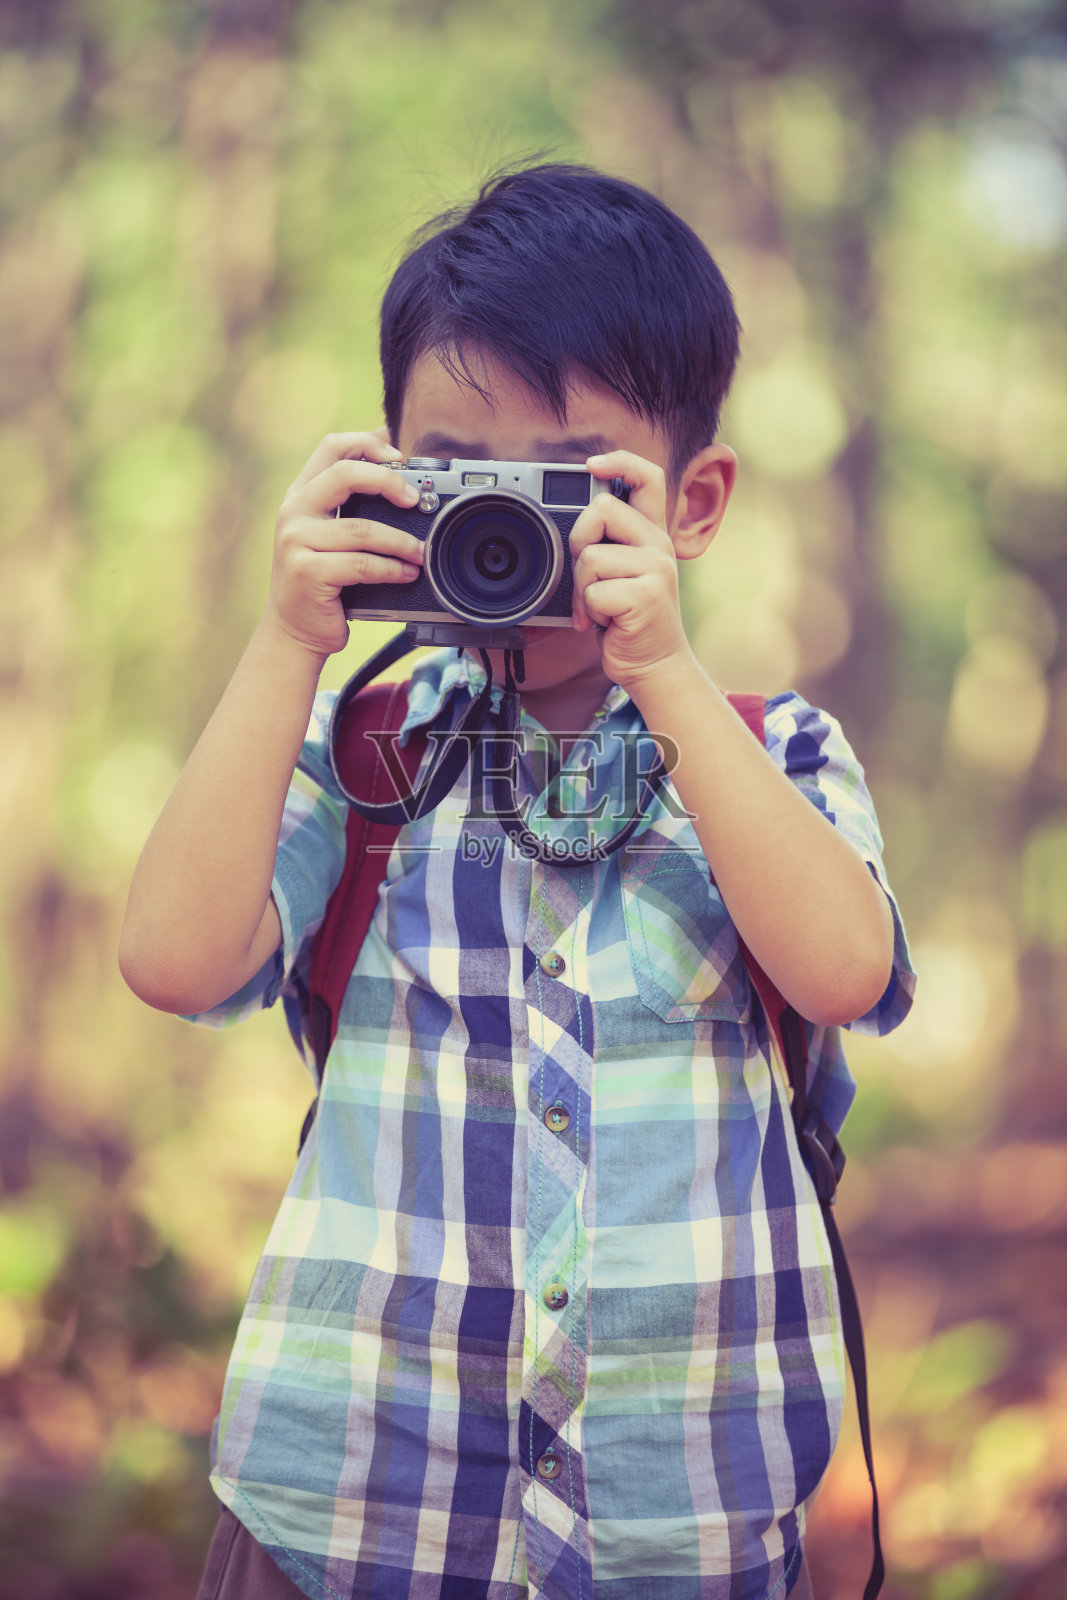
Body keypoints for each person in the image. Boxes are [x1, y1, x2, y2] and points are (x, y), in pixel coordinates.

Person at [120, 163, 915, 1600]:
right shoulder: (359, 746)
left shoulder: (771, 753)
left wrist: (661, 669)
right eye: (463, 481)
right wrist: (287, 634)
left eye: (580, 485)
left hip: (676, 1534)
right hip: (349, 1513)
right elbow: (173, 959)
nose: (514, 534)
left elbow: (845, 971)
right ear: (386, 480)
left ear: (695, 504)